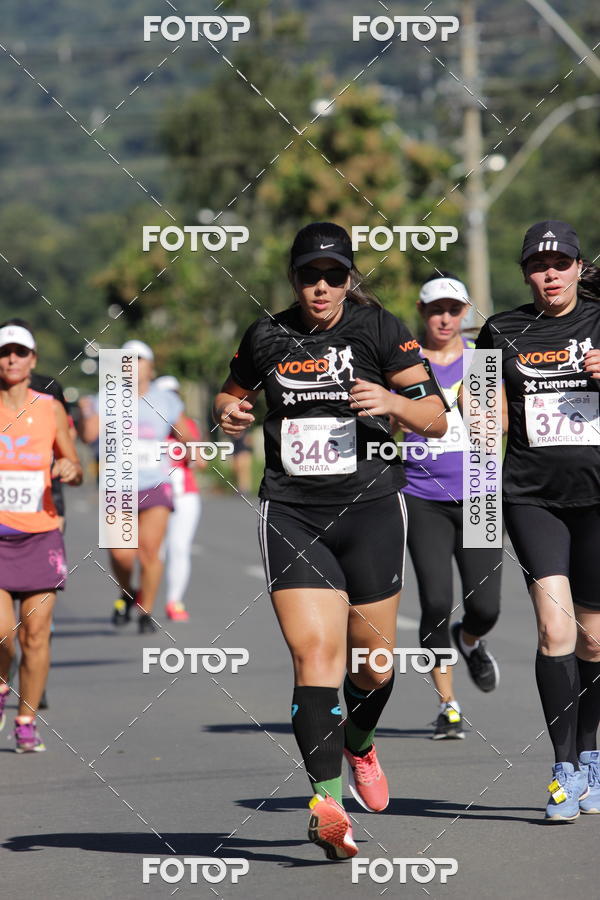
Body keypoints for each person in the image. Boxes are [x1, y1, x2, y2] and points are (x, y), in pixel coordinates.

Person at [213, 222, 448, 860]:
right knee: (313, 655)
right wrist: (228, 412)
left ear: (350, 278)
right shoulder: (266, 334)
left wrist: (393, 404)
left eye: (334, 276)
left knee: (373, 666)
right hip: (293, 511)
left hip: (370, 509)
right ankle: (327, 803)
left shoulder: (378, 329)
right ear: (293, 279)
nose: (321, 287)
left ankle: (360, 742)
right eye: (309, 276)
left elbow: (436, 417)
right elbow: (230, 399)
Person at [472, 220, 600, 821]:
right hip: (531, 496)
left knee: (596, 638)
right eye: (537, 266)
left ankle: (592, 755)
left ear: (578, 267)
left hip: (598, 499)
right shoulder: (500, 330)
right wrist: (476, 425)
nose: (548, 274)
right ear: (525, 272)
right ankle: (564, 769)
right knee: (557, 632)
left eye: (559, 263)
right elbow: (483, 417)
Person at [402, 274, 503, 739]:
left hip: (479, 493)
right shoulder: (406, 365)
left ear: (465, 314)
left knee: (486, 608)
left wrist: (480, 408)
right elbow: (386, 423)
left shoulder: (481, 363)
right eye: (437, 309)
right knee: (436, 602)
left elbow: (500, 424)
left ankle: (470, 640)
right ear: (423, 313)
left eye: (454, 309)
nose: (446, 317)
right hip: (422, 497)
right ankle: (448, 704)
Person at [0, 322, 82, 752]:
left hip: (40, 535)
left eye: (20, 352)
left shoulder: (49, 409)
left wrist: (71, 469)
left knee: (35, 634)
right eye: (4, 352)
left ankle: (26, 720)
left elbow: (75, 463)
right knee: (3, 634)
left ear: (33, 359)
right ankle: (1, 690)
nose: (11, 359)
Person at [108, 342, 194, 632]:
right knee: (121, 553)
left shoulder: (165, 399)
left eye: (139, 359)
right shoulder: (108, 396)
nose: (132, 364)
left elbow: (185, 434)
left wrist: (191, 448)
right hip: (118, 484)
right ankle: (126, 592)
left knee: (149, 551)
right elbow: (88, 433)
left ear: (150, 366)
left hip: (156, 483)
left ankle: (146, 611)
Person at [155, 375, 203, 622]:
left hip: (184, 495)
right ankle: (142, 593)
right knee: (153, 550)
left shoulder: (187, 425)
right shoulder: (146, 424)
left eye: (174, 395)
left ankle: (174, 601)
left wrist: (187, 442)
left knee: (179, 548)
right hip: (151, 494)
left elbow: (201, 462)